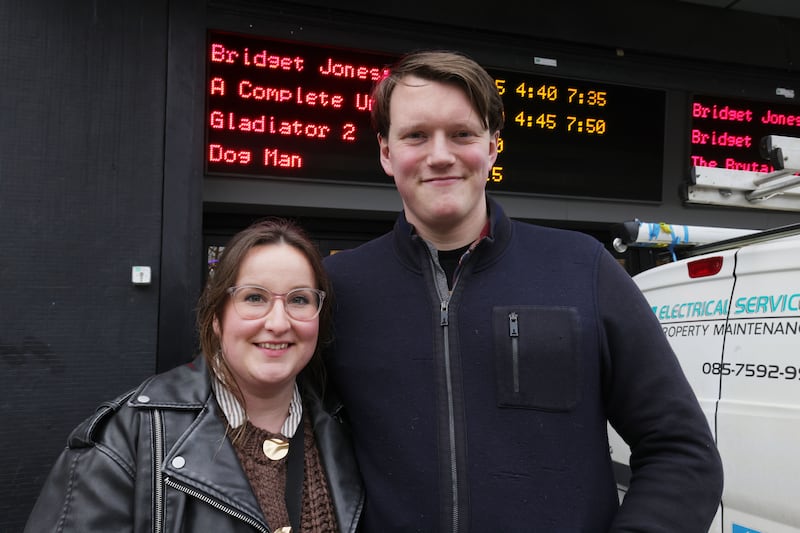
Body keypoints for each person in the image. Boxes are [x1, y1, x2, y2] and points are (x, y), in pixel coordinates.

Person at [323, 50, 723, 531]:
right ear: (387, 153)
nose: (441, 154)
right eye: (415, 136)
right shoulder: (341, 290)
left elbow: (682, 452)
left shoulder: (583, 270)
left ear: (492, 147)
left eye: (462, 134)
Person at [25, 218, 363, 533]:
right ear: (217, 318)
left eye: (299, 299)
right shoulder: (127, 440)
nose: (277, 323)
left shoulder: (347, 431)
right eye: (255, 297)